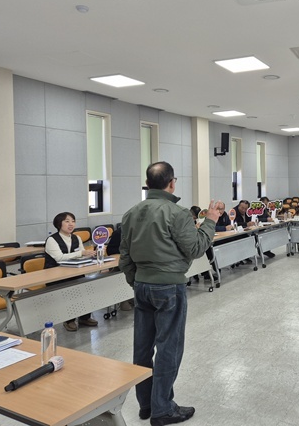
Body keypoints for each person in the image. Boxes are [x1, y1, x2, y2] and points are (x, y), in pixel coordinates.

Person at [118, 161, 221, 425]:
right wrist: (210, 220)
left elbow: (125, 256)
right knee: (168, 347)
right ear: (172, 183)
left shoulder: (130, 213)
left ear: (147, 184)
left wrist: (137, 282)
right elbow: (196, 248)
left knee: (142, 348)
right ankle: (162, 408)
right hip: (168, 286)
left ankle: (146, 405)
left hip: (142, 286)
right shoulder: (177, 213)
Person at [44, 212, 99, 332]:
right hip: (56, 275)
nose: (71, 224)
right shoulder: (52, 240)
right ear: (59, 224)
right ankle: (69, 320)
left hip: (73, 272)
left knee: (86, 285)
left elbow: (82, 255)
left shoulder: (76, 238)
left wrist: (92, 253)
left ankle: (84, 317)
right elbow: (59, 258)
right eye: (67, 221)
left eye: (73, 221)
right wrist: (81, 253)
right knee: (70, 290)